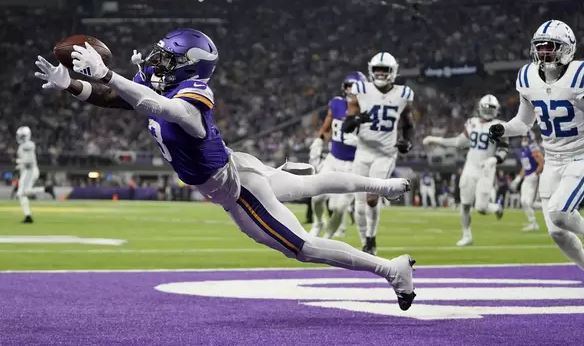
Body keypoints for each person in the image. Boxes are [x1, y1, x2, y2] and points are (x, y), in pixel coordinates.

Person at [34, 28, 416, 310]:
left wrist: (105, 73)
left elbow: (161, 109)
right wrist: (71, 84)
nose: (156, 60)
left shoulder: (195, 93)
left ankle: (391, 269)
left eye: (168, 57)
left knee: (302, 247)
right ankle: (383, 185)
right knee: (310, 184)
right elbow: (117, 98)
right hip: (235, 165)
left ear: (189, 66)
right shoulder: (157, 83)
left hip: (235, 188)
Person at [488, 19, 584, 296]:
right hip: (551, 161)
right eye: (540, 48)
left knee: (560, 214)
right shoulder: (527, 77)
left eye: (550, 47)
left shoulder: (581, 74)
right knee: (556, 231)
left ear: (566, 48)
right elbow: (523, 123)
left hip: (579, 157)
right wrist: (504, 127)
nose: (544, 53)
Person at [342, 52, 415, 255]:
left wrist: (408, 142)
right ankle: (365, 241)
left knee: (372, 198)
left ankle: (372, 238)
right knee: (358, 202)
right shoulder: (361, 90)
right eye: (377, 69)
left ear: (393, 71)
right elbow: (347, 125)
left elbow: (408, 124)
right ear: (371, 71)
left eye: (385, 69)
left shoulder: (403, 94)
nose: (381, 73)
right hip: (363, 151)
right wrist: (357, 120)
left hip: (385, 153)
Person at [423, 95, 509, 246]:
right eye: (486, 107)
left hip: (487, 169)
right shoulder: (472, 123)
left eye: (491, 108)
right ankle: (467, 235)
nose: (488, 111)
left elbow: (503, 149)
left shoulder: (500, 125)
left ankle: (496, 207)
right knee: (465, 204)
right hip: (470, 167)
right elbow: (458, 142)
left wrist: (494, 159)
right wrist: (434, 139)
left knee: (481, 208)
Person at [308, 72, 365, 239]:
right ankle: (318, 223)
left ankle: (327, 239)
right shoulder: (336, 103)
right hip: (333, 159)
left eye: (355, 87)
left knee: (340, 208)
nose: (351, 90)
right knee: (317, 196)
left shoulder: (369, 111)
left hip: (353, 165)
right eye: (348, 86)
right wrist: (318, 140)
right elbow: (327, 125)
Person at [14, 126, 55, 223]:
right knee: (21, 194)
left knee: (23, 192)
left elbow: (29, 161)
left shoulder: (28, 145)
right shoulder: (23, 146)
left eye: (22, 136)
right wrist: (20, 165)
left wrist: (19, 162)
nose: (20, 138)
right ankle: (28, 216)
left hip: (30, 171)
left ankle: (46, 189)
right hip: (26, 171)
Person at [509, 130, 544, 231]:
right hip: (527, 178)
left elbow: (542, 163)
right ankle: (533, 223)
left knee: (531, 203)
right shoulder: (522, 149)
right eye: (522, 138)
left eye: (525, 138)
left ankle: (556, 209)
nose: (523, 140)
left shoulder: (533, 148)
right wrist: (518, 179)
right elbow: (525, 167)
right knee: (524, 201)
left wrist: (535, 174)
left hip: (534, 178)